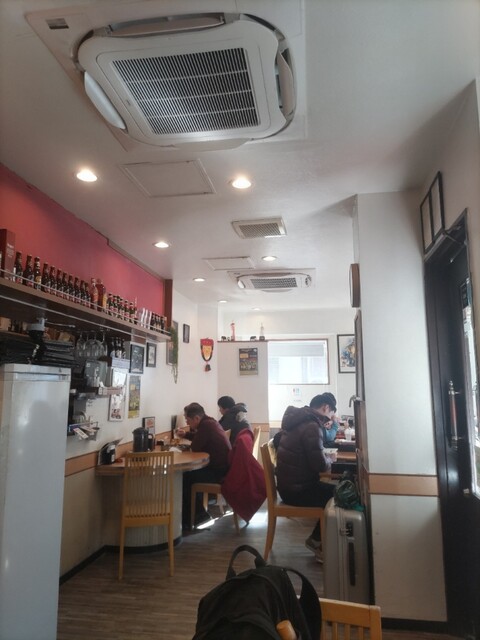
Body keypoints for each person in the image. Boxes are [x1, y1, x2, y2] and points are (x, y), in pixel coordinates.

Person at [274, 392, 338, 562]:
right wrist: (330, 459)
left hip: (289, 486)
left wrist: (323, 456)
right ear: (326, 407)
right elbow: (320, 466)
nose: (330, 417)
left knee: (335, 491)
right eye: (331, 413)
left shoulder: (298, 420)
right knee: (339, 495)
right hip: (297, 490)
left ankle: (318, 541)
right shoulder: (311, 425)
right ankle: (318, 543)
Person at [180, 402, 231, 530]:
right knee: (187, 476)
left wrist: (185, 444)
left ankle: (197, 517)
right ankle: (195, 516)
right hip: (223, 468)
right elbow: (200, 438)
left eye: (188, 420)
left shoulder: (206, 426)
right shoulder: (210, 422)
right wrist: (186, 435)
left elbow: (195, 447)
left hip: (218, 472)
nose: (187, 423)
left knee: (185, 478)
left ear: (196, 418)